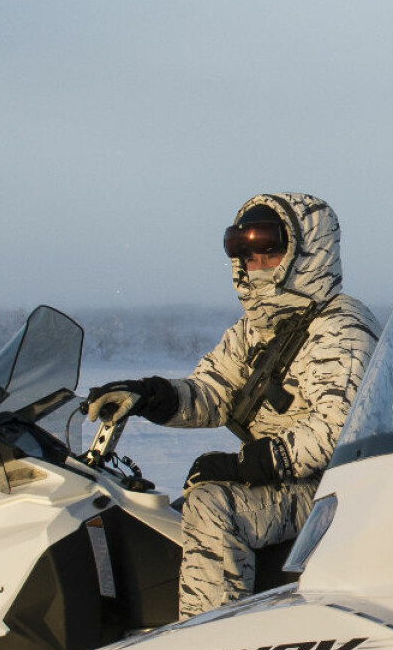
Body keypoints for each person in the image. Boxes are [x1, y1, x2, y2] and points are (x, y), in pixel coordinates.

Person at [84, 193, 377, 619]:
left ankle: (206, 641)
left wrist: (246, 466)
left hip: (333, 488)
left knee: (212, 505)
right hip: (292, 480)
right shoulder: (258, 328)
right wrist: (147, 395)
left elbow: (335, 430)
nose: (254, 263)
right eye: (242, 251)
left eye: (269, 248)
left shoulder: (340, 325)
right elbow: (212, 391)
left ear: (308, 250)